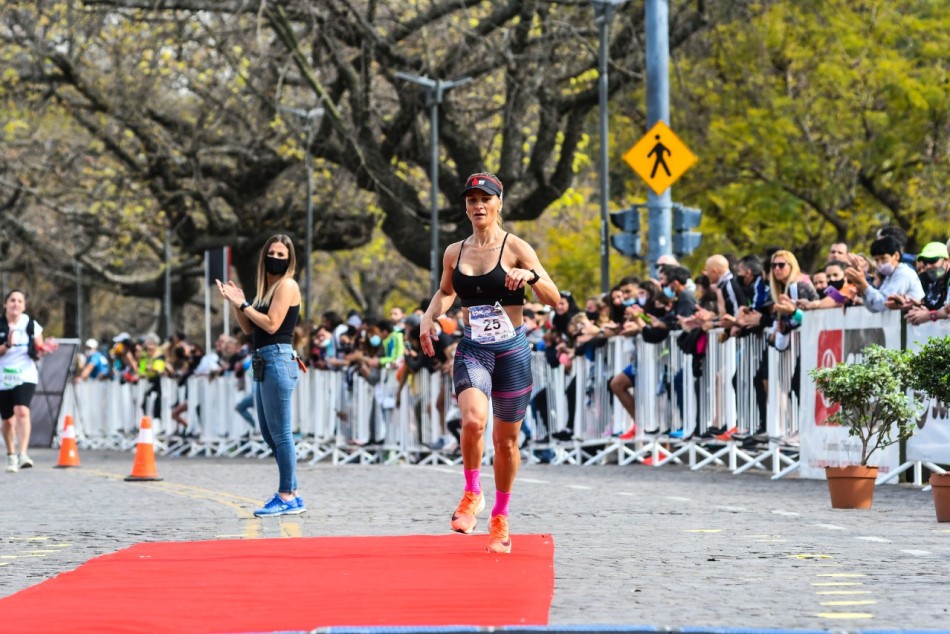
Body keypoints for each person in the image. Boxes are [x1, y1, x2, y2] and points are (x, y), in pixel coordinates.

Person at [419, 172, 559, 554]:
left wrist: (531, 275)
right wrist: (428, 316)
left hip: (512, 351)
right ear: (466, 207)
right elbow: (446, 292)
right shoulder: (455, 251)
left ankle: (500, 515)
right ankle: (472, 492)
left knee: (506, 441)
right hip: (474, 349)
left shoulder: (517, 247)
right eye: (472, 200)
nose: (478, 205)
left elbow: (553, 298)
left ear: (499, 203)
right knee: (472, 421)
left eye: (485, 199)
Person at [217, 234, 306, 517]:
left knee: (281, 433)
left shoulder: (287, 285)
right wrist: (237, 302)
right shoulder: (266, 289)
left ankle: (285, 494)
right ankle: (293, 493)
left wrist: (245, 305)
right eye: (272, 253)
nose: (275, 259)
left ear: (289, 261)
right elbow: (248, 328)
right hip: (263, 361)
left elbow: (271, 324)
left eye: (281, 255)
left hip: (278, 358)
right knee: (269, 433)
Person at [0, 290, 53, 472]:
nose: (16, 304)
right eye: (12, 300)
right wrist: (7, 345)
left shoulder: (31, 325)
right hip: (3, 375)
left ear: (24, 306)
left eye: (20, 301)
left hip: (25, 373)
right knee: (7, 421)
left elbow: (38, 350)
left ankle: (23, 453)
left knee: (22, 410)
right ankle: (11, 455)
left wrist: (44, 349)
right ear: (5, 304)